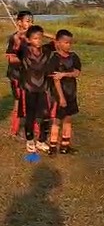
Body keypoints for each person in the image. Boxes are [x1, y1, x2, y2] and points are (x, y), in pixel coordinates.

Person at [16, 25, 56, 153]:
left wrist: (43, 33)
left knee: (45, 116)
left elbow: (57, 39)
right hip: (29, 90)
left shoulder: (46, 50)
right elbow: (16, 38)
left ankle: (41, 141)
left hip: (44, 89)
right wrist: (23, 33)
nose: (38, 40)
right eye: (35, 38)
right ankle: (30, 140)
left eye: (40, 38)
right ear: (28, 40)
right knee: (30, 116)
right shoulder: (24, 51)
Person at [48, 29, 82, 155]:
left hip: (71, 92)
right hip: (59, 94)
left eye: (70, 43)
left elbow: (77, 73)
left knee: (68, 119)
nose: (68, 45)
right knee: (57, 120)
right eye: (66, 42)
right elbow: (56, 80)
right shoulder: (54, 59)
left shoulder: (74, 57)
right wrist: (61, 98)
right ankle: (52, 146)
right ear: (58, 43)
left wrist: (65, 74)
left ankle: (65, 145)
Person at [5, 11, 34, 137]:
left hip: (29, 75)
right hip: (16, 75)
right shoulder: (15, 38)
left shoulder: (31, 38)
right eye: (28, 21)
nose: (31, 23)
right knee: (19, 101)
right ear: (19, 23)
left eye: (32, 21)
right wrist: (26, 59)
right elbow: (11, 58)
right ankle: (14, 130)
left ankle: (32, 129)